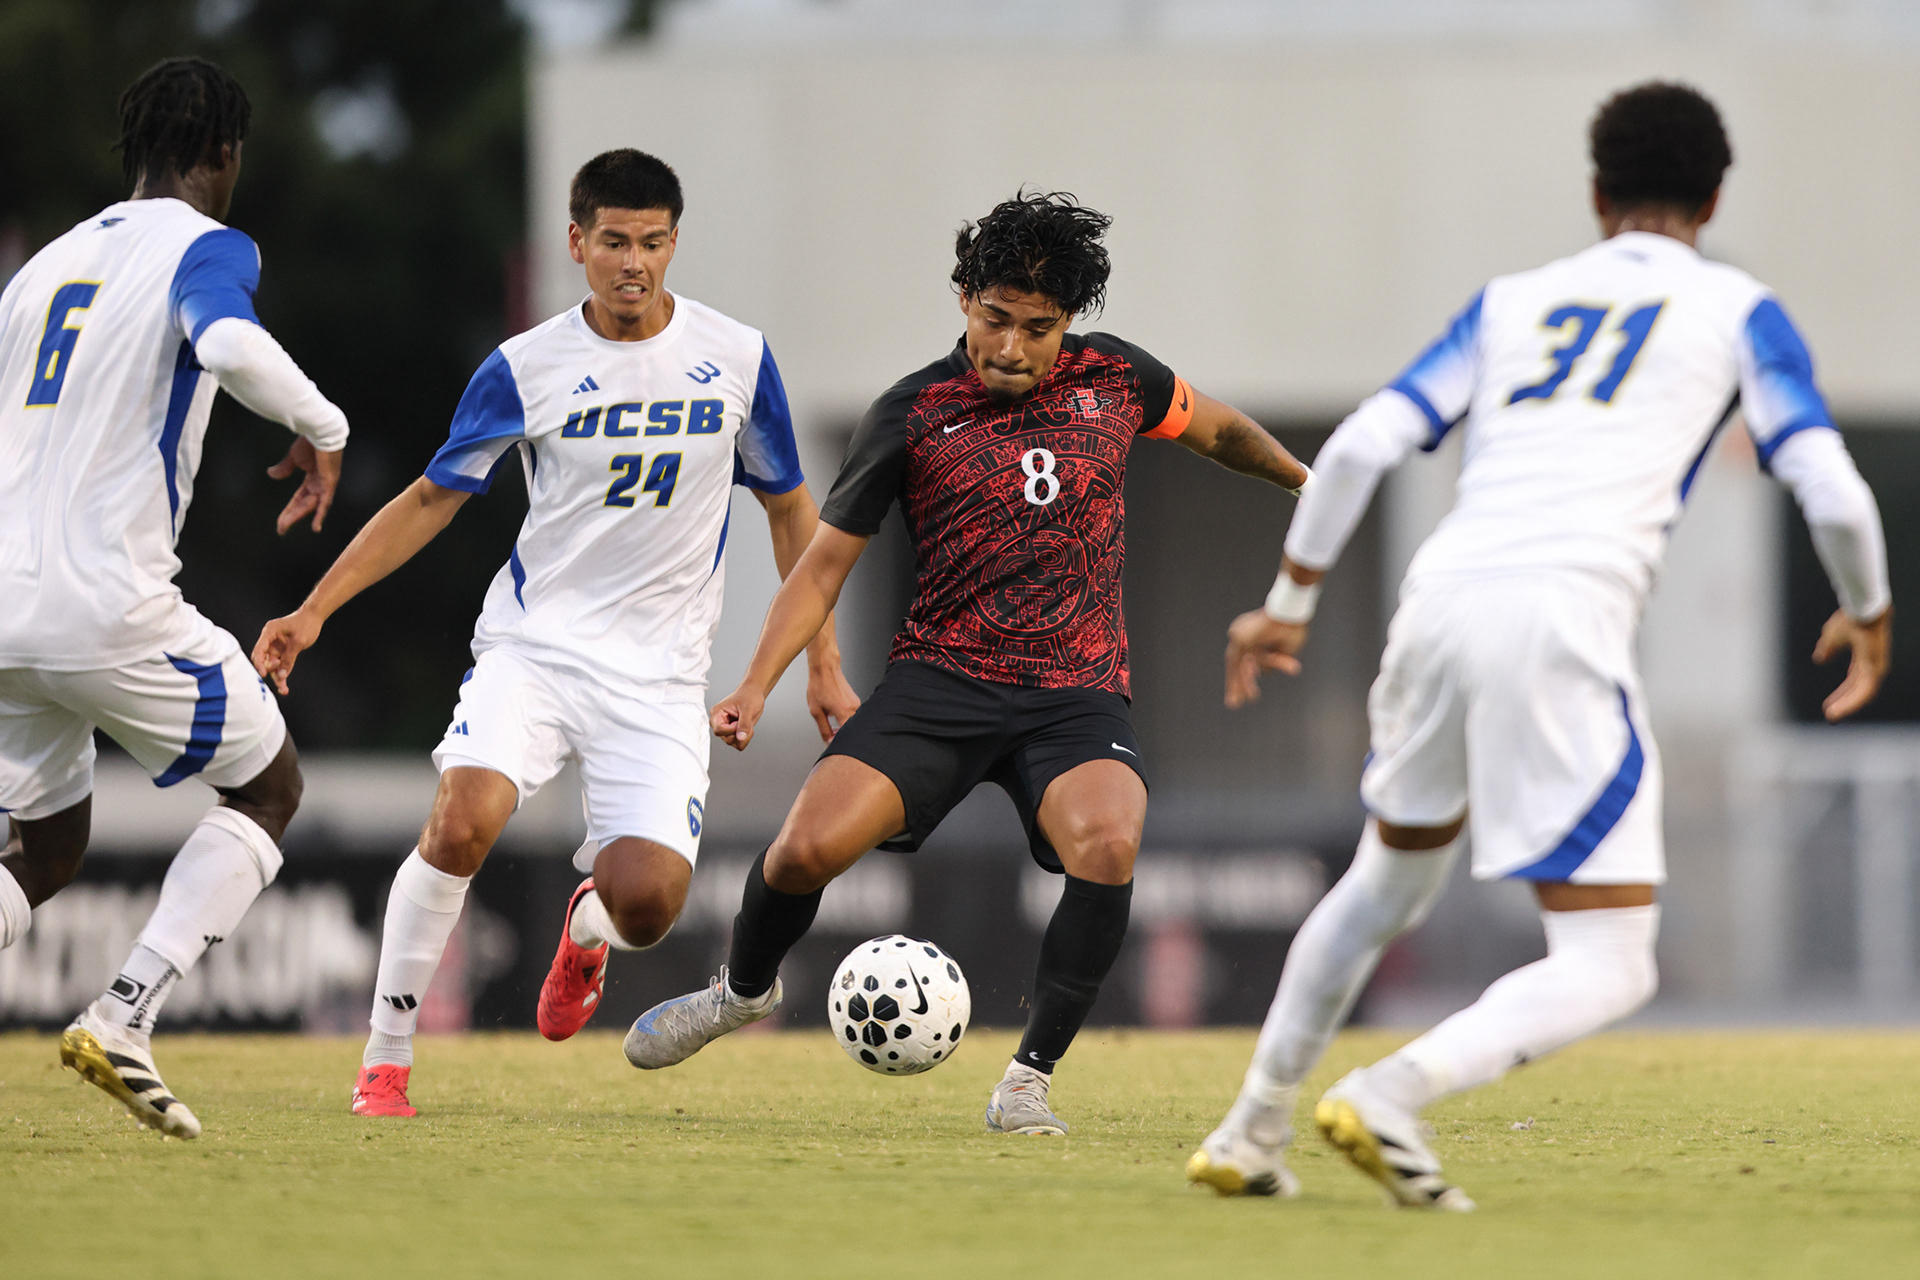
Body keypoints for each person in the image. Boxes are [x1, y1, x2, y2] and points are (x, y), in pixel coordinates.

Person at [1187, 81, 1893, 1209]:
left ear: (1597, 192)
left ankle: (1248, 1129)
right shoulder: (1737, 309)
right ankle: (1389, 1093)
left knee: (1386, 878)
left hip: (1441, 597)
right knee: (1613, 958)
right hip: (1562, 616)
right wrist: (1867, 607)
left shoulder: (1512, 300)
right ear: (1714, 199)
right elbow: (1837, 493)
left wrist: (1291, 599)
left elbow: (1367, 443)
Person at [623, 192, 1312, 1136]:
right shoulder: (910, 412)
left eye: (1040, 328)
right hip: (940, 681)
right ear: (963, 300)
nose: (1015, 347)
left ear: (1069, 324)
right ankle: (740, 992)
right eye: (997, 319)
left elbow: (1221, 431)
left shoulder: (1119, 380)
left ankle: (1027, 1080)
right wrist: (756, 684)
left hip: (1074, 691)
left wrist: (1314, 485)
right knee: (803, 850)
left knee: (1109, 843)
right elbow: (822, 566)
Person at [252, 148, 858, 1118]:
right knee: (460, 820)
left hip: (662, 676)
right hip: (535, 649)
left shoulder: (738, 357)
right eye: (613, 241)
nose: (633, 263)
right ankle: (386, 1060)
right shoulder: (525, 365)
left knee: (649, 906)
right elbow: (428, 499)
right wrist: (314, 609)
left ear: (673, 243)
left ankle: (587, 926)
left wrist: (820, 661)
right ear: (576, 242)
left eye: (652, 242)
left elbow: (795, 514)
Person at [0, 58, 348, 1139]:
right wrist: (325, 427)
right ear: (223, 156)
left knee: (46, 846)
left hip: (4, 603)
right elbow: (229, 341)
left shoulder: (41, 268)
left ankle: (122, 1010)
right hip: (106, 599)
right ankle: (126, 1011)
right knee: (268, 785)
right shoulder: (209, 245)